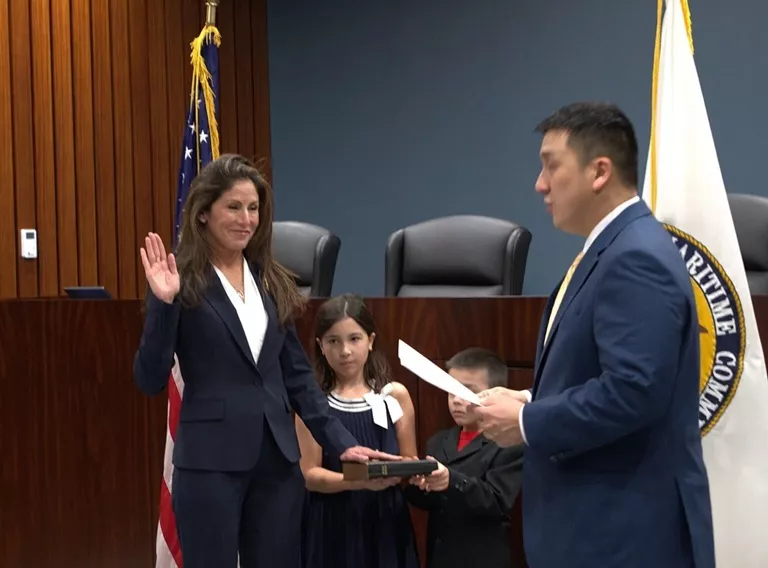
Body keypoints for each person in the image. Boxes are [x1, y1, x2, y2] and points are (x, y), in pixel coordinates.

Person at [470, 102, 715, 568]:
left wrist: (527, 422)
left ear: (599, 171)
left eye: (551, 165)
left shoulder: (635, 257)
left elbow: (633, 391)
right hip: (595, 531)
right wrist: (529, 400)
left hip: (623, 538)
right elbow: (600, 373)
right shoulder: (612, 247)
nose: (539, 184)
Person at [132, 154, 394, 568]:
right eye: (234, 207)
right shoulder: (180, 279)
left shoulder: (269, 280)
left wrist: (343, 443)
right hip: (210, 464)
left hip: (276, 464)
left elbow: (298, 377)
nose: (246, 219)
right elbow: (149, 378)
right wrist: (164, 305)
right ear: (203, 213)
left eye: (253, 208)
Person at [297, 293, 420, 568]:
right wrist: (357, 482)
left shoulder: (394, 396)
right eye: (333, 341)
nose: (345, 351)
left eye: (354, 339)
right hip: (333, 520)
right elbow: (310, 475)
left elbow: (409, 460)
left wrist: (413, 470)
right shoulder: (314, 404)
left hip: (385, 518)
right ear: (320, 346)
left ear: (371, 340)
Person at [405, 348, 524, 568]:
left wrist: (450, 480)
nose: (456, 401)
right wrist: (415, 481)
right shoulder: (438, 441)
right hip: (440, 557)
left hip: (482, 559)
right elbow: (427, 503)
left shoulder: (509, 442)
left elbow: (497, 502)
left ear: (496, 394)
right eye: (451, 392)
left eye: (467, 391)